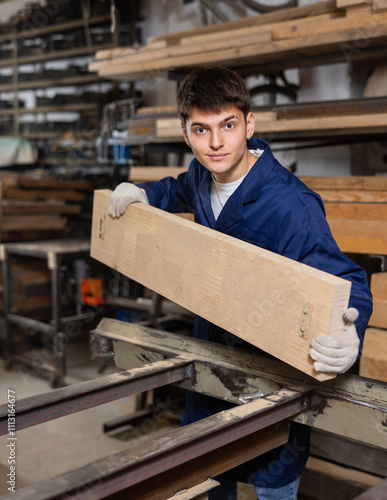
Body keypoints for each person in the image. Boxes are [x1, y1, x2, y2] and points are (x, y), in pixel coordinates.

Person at [109, 66, 373, 500]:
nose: (215, 143)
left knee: (273, 483)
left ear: (249, 125)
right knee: (210, 471)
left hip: (272, 375)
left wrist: (351, 329)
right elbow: (177, 189)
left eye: (228, 126)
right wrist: (145, 195)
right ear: (185, 132)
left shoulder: (291, 205)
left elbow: (346, 278)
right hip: (211, 358)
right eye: (202, 129)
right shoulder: (200, 175)